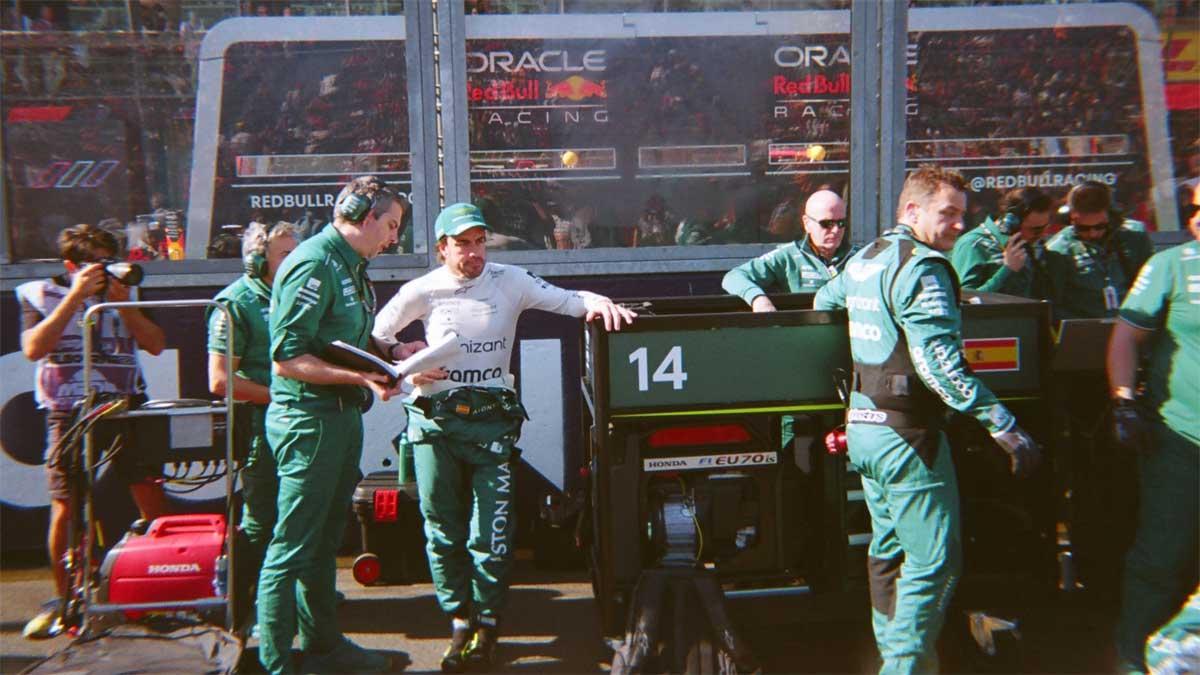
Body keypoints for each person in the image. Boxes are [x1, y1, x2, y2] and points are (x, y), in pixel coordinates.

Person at [372, 202, 636, 672]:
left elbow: (566, 300)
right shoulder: (422, 290)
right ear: (441, 249)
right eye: (462, 245)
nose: (474, 253)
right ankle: (458, 620)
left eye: (479, 242)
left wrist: (596, 301)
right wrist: (403, 356)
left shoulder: (509, 280)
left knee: (491, 533)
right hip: (433, 424)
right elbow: (377, 333)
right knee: (441, 529)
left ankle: (488, 620)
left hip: (493, 423)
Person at [813, 165, 1040, 674]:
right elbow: (939, 366)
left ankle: (900, 660)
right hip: (908, 434)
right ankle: (904, 668)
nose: (960, 224)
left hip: (865, 427)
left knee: (889, 553)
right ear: (912, 211)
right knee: (935, 563)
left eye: (963, 214)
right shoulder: (924, 267)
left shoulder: (865, 257)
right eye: (948, 213)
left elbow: (823, 302)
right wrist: (1003, 424)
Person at [257, 176, 417, 674]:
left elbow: (345, 336)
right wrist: (362, 378)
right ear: (364, 217)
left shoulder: (348, 265)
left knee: (324, 541)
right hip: (309, 421)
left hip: (340, 418)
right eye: (390, 225)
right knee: (292, 545)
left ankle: (324, 645)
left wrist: (392, 352)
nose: (393, 237)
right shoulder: (313, 263)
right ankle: (278, 662)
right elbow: (286, 358)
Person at [17, 224, 168, 639]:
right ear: (71, 266)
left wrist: (125, 307)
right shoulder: (41, 292)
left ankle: (159, 590)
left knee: (150, 493)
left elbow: (155, 343)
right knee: (66, 504)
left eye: (107, 261)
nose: (103, 271)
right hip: (67, 410)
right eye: (93, 264)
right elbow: (33, 348)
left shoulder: (125, 289)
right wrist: (75, 296)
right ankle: (67, 601)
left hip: (124, 405)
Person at [1107, 187, 1200, 672]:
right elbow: (1126, 337)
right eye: (1195, 211)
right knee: (1162, 556)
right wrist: (1124, 402)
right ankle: (1132, 658)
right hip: (1181, 440)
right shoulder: (1172, 265)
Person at [205, 221, 299, 634]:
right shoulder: (235, 303)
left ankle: (299, 591)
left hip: (302, 421)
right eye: (284, 255)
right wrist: (281, 398)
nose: (294, 262)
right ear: (257, 260)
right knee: (264, 516)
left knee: (305, 511)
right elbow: (221, 381)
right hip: (262, 425)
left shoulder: (296, 292)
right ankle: (261, 607)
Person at [722, 189, 854, 311]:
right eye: (827, 224)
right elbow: (733, 277)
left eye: (841, 223)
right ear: (807, 223)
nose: (836, 230)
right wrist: (758, 299)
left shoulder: (862, 258)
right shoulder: (789, 256)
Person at [1043, 181, 1154, 321]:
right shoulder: (1058, 249)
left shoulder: (1135, 236)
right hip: (1086, 328)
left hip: (1131, 321)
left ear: (1111, 215)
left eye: (1100, 226)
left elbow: (1152, 285)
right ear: (1070, 219)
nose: (1093, 234)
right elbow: (1053, 304)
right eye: (1083, 228)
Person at [949, 186, 1052, 297]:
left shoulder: (1024, 247)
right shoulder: (972, 244)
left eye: (1045, 227)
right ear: (1012, 223)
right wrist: (1007, 270)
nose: (1041, 235)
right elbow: (965, 300)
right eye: (1036, 230)